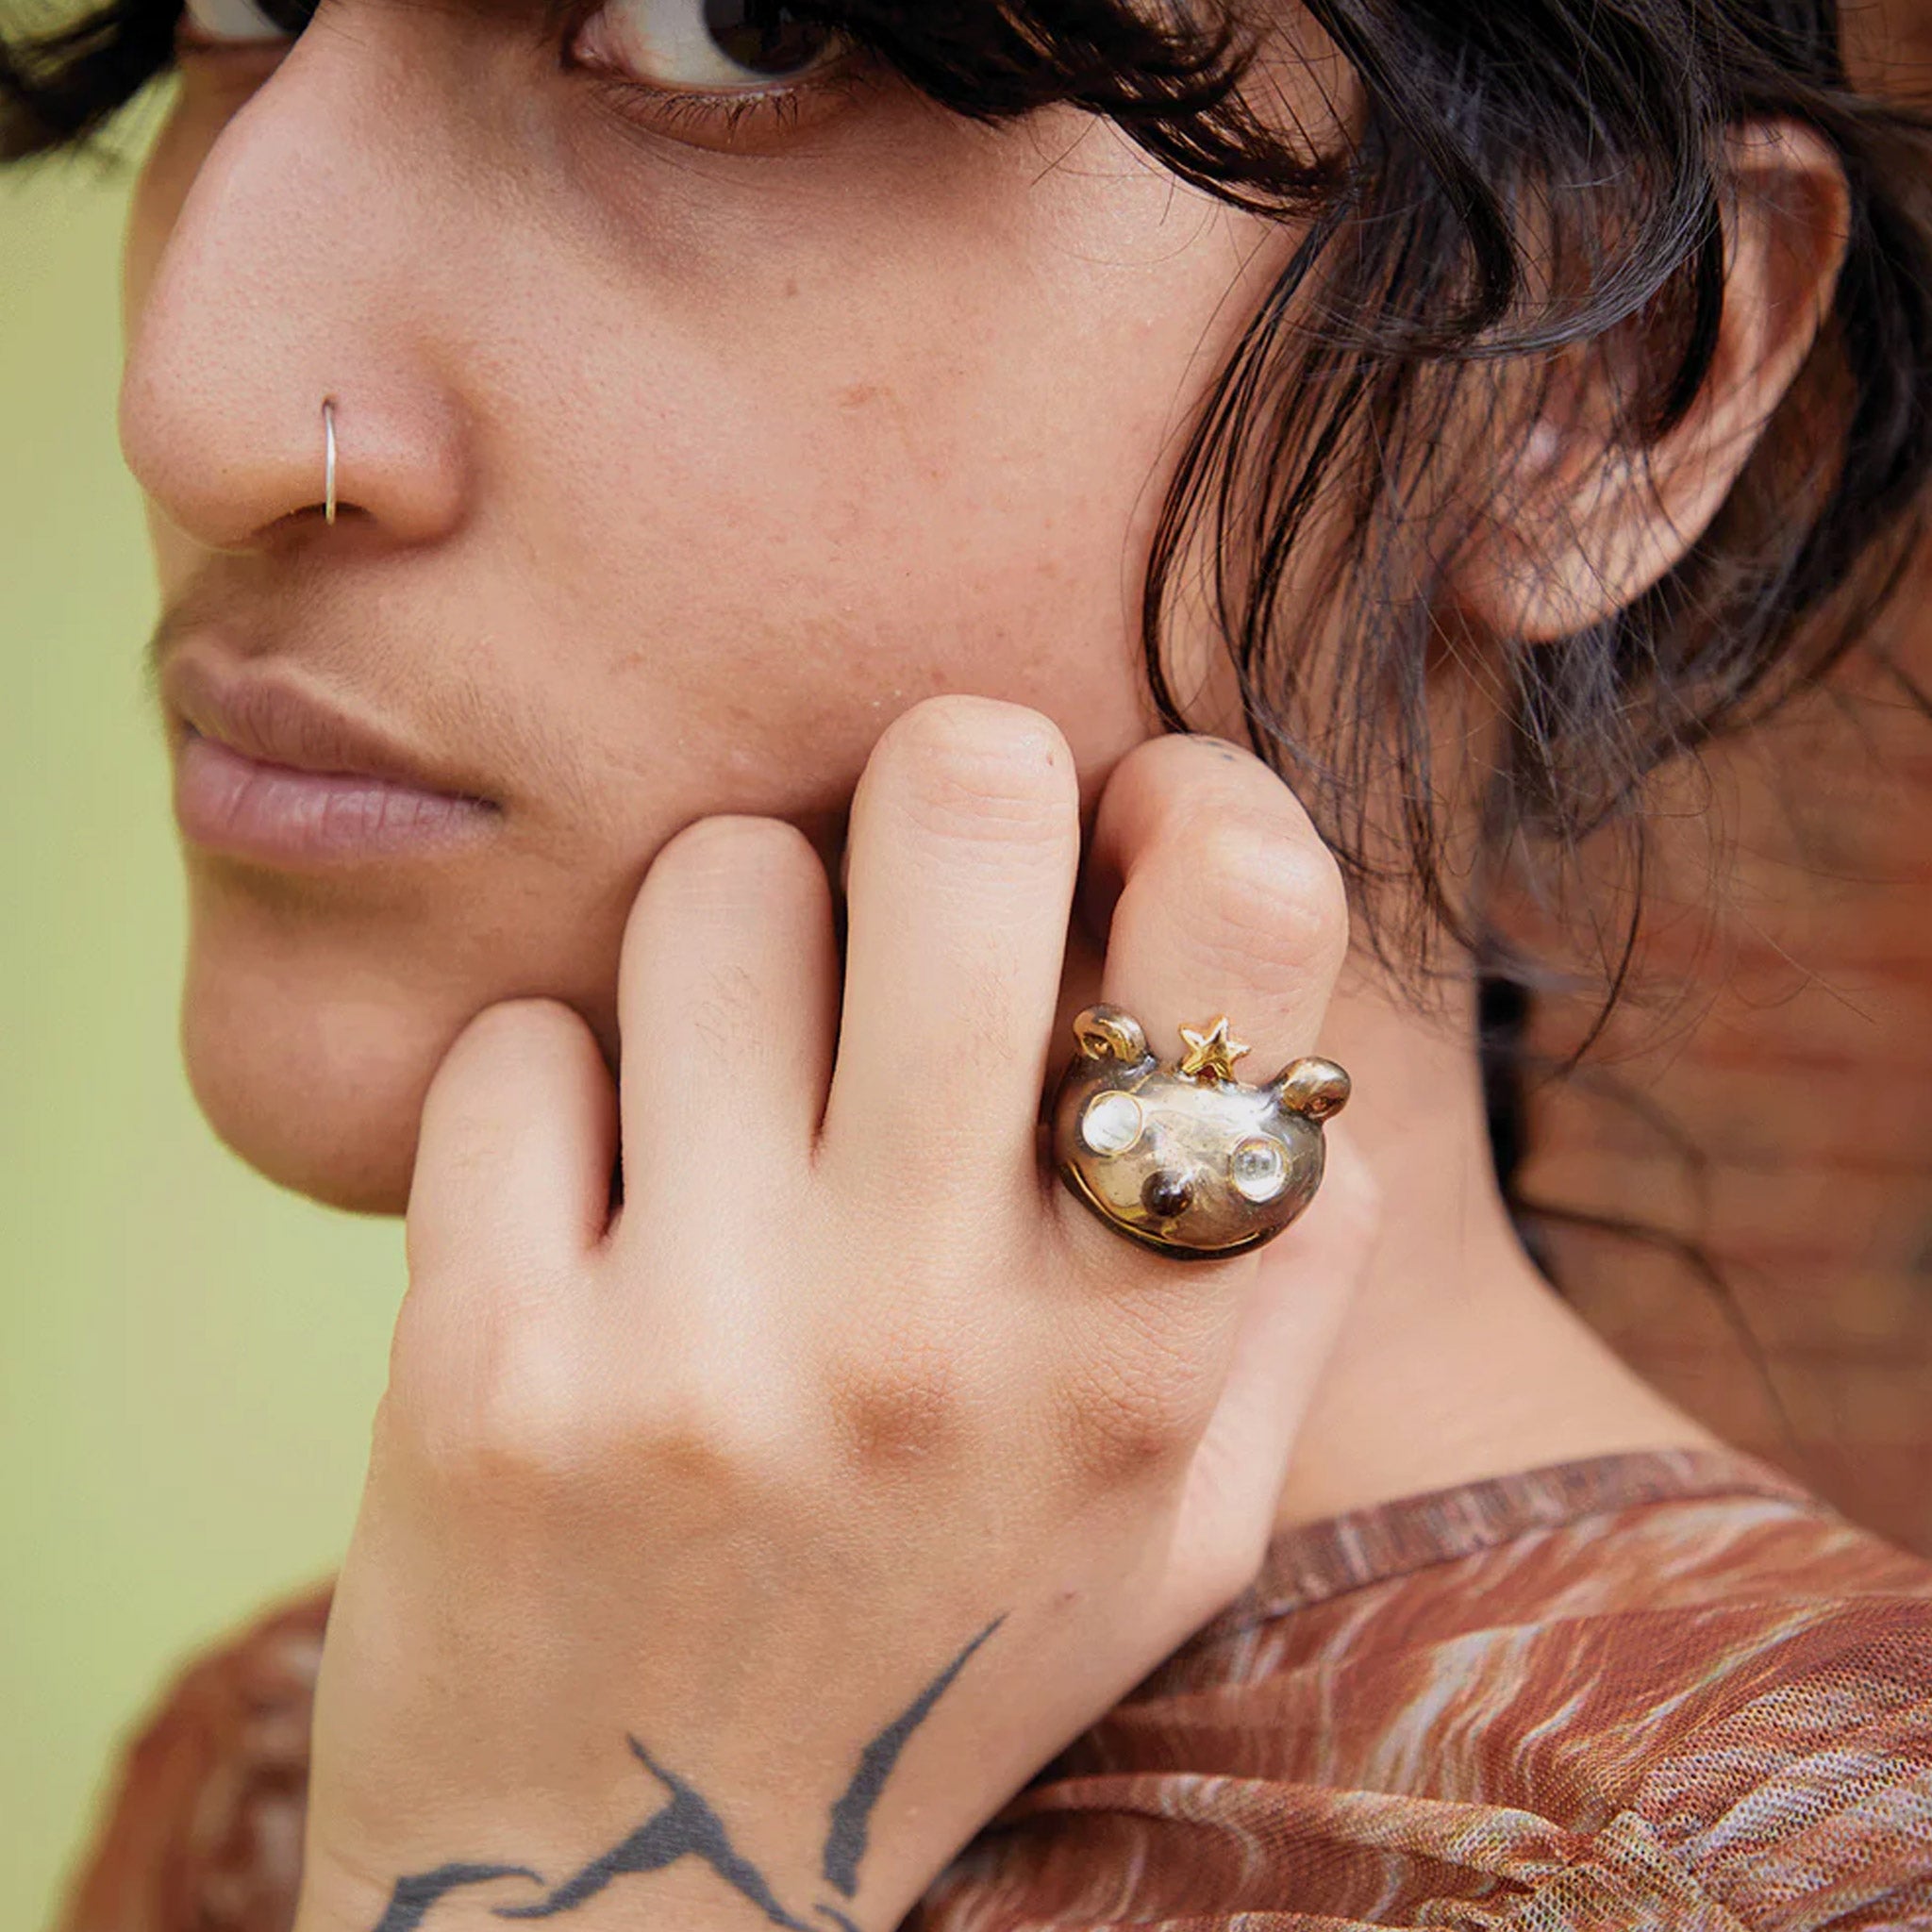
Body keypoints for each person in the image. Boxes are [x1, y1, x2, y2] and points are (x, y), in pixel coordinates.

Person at [8, 0, 1932, 1927]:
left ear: (1592, 385)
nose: (198, 399)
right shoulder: (296, 1766)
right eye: (238, 5)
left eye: (737, 30)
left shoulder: (1808, 1869)